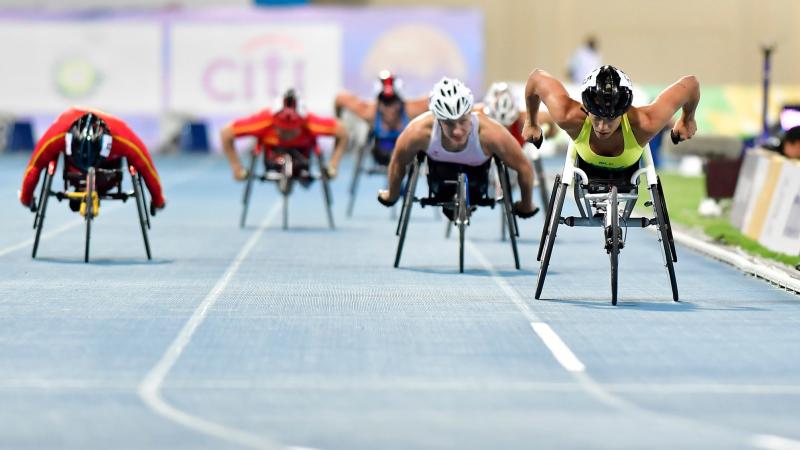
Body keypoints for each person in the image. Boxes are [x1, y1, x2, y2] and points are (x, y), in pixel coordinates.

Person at [377, 77, 539, 218]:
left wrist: (526, 204)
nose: (457, 130)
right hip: (438, 183)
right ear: (437, 119)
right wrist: (392, 194)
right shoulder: (418, 132)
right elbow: (398, 162)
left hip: (478, 184)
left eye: (462, 121)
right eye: (448, 123)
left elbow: (524, 167)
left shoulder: (491, 133)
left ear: (471, 112)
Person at [522, 65, 699, 177]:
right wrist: (531, 122)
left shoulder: (646, 123)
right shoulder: (567, 115)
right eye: (597, 117)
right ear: (586, 108)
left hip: (628, 168)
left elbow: (691, 84)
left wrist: (687, 119)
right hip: (585, 164)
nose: (602, 127)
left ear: (623, 113)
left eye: (611, 120)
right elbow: (536, 78)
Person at [19, 107, 166, 213]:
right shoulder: (57, 134)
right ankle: (79, 178)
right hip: (74, 172)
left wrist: (157, 199)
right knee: (46, 155)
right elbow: (35, 166)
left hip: (107, 174)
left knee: (136, 160)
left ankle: (92, 176)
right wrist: (26, 197)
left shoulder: (123, 138)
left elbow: (147, 168)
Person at [221, 89, 348, 181]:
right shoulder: (264, 120)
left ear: (301, 123)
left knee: (303, 169)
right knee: (280, 160)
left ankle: (298, 171)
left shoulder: (310, 123)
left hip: (302, 157)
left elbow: (343, 132)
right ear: (274, 122)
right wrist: (236, 167)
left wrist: (333, 165)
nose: (287, 134)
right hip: (274, 157)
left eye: (291, 130)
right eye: (282, 130)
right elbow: (226, 133)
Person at [334, 70, 429, 165]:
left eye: (393, 102)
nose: (389, 108)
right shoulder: (369, 112)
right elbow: (339, 98)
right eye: (385, 103)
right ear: (378, 103)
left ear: (401, 101)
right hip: (380, 154)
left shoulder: (410, 109)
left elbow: (436, 98)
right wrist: (339, 123)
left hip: (404, 154)